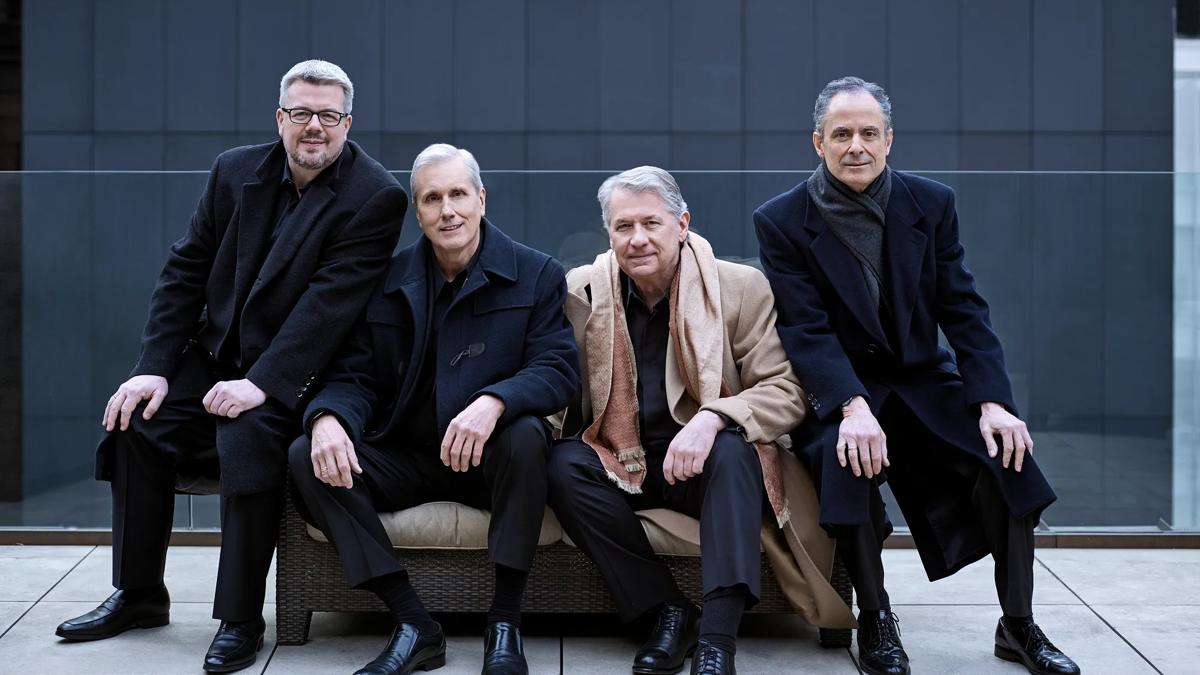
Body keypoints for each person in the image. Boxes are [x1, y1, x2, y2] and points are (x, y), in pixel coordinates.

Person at [54, 60, 408, 674]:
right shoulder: (235, 170)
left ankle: (240, 617)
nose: (314, 127)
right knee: (136, 421)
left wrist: (261, 386)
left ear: (348, 124)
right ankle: (139, 595)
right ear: (280, 119)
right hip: (215, 358)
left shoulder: (375, 196)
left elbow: (329, 308)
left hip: (303, 376)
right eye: (301, 114)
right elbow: (185, 269)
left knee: (247, 441)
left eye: (328, 116)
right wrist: (155, 366)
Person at [754, 76, 1080, 675]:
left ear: (889, 140)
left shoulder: (931, 204)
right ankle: (876, 620)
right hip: (843, 390)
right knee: (843, 461)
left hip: (923, 382)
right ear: (817, 143)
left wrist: (992, 402)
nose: (857, 145)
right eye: (842, 134)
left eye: (869, 133)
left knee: (1008, 458)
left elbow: (963, 307)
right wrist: (851, 406)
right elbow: (805, 329)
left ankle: (1019, 624)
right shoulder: (781, 220)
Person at [289, 143, 579, 675]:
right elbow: (354, 375)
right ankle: (412, 621)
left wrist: (495, 401)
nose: (448, 210)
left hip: (490, 463)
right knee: (305, 451)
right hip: (407, 456)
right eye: (432, 198)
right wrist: (327, 416)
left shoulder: (536, 274)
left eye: (458, 195)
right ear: (417, 210)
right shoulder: (386, 281)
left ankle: (505, 621)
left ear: (481, 199)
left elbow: (558, 370)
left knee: (527, 436)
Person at [549, 166, 850, 675]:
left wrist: (713, 418)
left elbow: (787, 389)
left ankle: (717, 639)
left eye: (651, 223)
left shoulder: (739, 288)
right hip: (622, 460)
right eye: (624, 227)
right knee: (561, 464)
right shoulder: (584, 292)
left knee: (733, 449)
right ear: (609, 234)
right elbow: (556, 382)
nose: (638, 239)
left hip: (704, 467)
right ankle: (666, 610)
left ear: (682, 223)